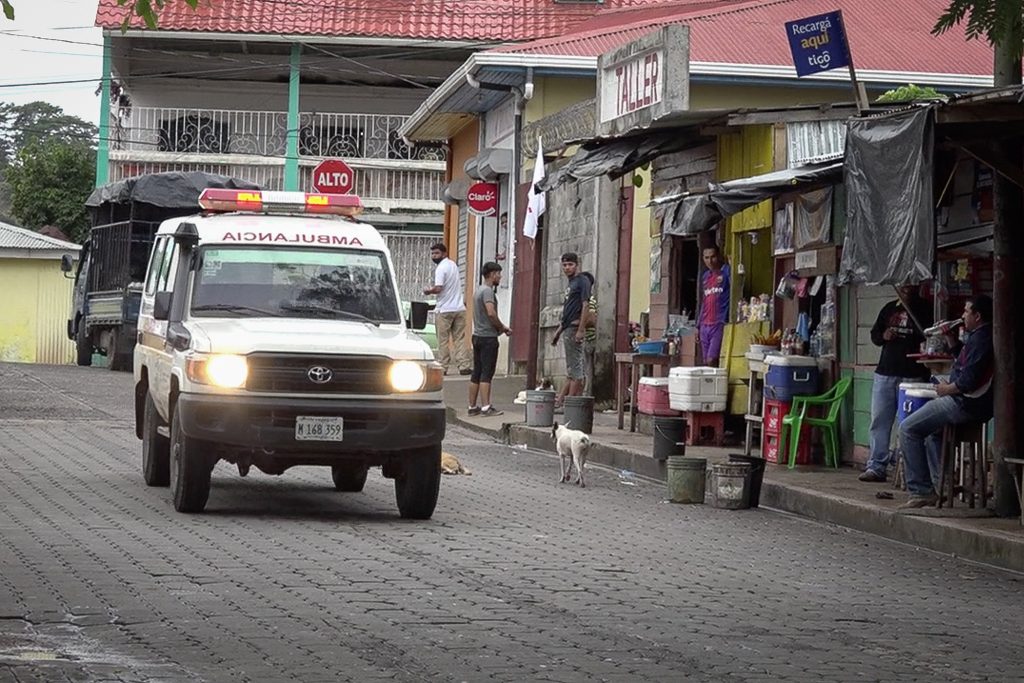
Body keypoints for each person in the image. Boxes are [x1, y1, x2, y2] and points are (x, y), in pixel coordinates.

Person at [898, 295, 994, 509]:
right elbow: (964, 361)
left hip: (964, 402)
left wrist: (945, 389)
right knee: (934, 432)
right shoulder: (978, 337)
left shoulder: (982, 339)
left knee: (908, 429)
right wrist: (951, 338)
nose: (962, 316)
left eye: (966, 312)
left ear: (977, 316)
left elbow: (967, 381)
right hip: (965, 401)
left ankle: (921, 490)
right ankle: (942, 486)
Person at [859, 285, 933, 483]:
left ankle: (904, 469)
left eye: (911, 284)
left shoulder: (927, 309)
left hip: (913, 375)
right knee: (879, 421)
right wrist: (884, 336)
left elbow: (931, 337)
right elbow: (875, 335)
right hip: (885, 372)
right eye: (903, 284)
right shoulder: (889, 308)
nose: (907, 288)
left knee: (907, 425)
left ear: (918, 285)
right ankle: (876, 466)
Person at [468, 262, 511, 417]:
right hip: (488, 338)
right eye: (499, 274)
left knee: (476, 372)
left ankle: (472, 406)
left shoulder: (478, 290)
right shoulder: (487, 292)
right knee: (487, 373)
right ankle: (486, 407)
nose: (500, 277)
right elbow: (491, 313)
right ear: (492, 274)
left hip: (477, 336)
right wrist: (502, 327)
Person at [423, 243, 471, 376]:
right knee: (459, 339)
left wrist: (428, 290)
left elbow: (438, 288)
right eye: (432, 254)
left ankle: (443, 366)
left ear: (444, 253)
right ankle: (464, 366)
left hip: (444, 309)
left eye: (436, 253)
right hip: (459, 308)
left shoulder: (440, 268)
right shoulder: (453, 265)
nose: (434, 256)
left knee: (443, 340)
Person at [552, 253, 592, 410]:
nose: (567, 268)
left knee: (576, 372)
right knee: (572, 369)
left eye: (570, 264)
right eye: (564, 265)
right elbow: (568, 311)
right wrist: (559, 330)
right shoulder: (571, 283)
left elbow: (585, 306)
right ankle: (560, 401)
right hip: (568, 328)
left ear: (577, 265)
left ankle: (569, 405)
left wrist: (581, 329)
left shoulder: (582, 281)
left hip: (575, 328)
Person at [698, 245, 730, 367]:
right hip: (704, 325)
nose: (710, 261)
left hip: (719, 323)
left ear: (719, 256)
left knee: (712, 360)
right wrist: (698, 325)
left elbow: (737, 286)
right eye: (706, 258)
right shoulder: (705, 277)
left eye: (713, 257)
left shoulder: (726, 271)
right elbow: (704, 301)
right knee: (706, 362)